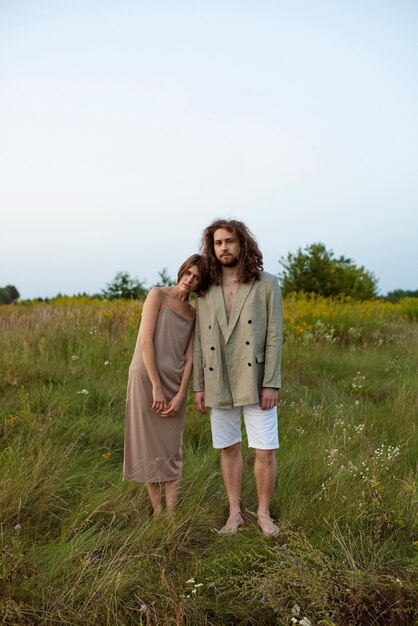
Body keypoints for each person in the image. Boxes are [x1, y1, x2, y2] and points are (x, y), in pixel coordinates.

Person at [193, 219, 283, 536]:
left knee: (265, 450)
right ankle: (234, 514)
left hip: (256, 380)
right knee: (228, 448)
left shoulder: (266, 283)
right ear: (211, 248)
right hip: (218, 379)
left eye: (230, 241)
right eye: (218, 243)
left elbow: (273, 336)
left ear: (242, 244)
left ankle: (263, 513)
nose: (224, 248)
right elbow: (199, 343)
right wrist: (199, 387)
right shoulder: (205, 289)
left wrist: (271, 382)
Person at [123, 254, 207, 514]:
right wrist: (156, 386)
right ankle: (158, 512)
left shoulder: (194, 313)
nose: (189, 280)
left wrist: (182, 393)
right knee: (148, 444)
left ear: (201, 284)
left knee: (172, 447)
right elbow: (145, 341)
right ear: (181, 271)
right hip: (146, 377)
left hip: (175, 382)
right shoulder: (157, 295)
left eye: (196, 278)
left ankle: (172, 515)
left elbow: (190, 356)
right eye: (188, 273)